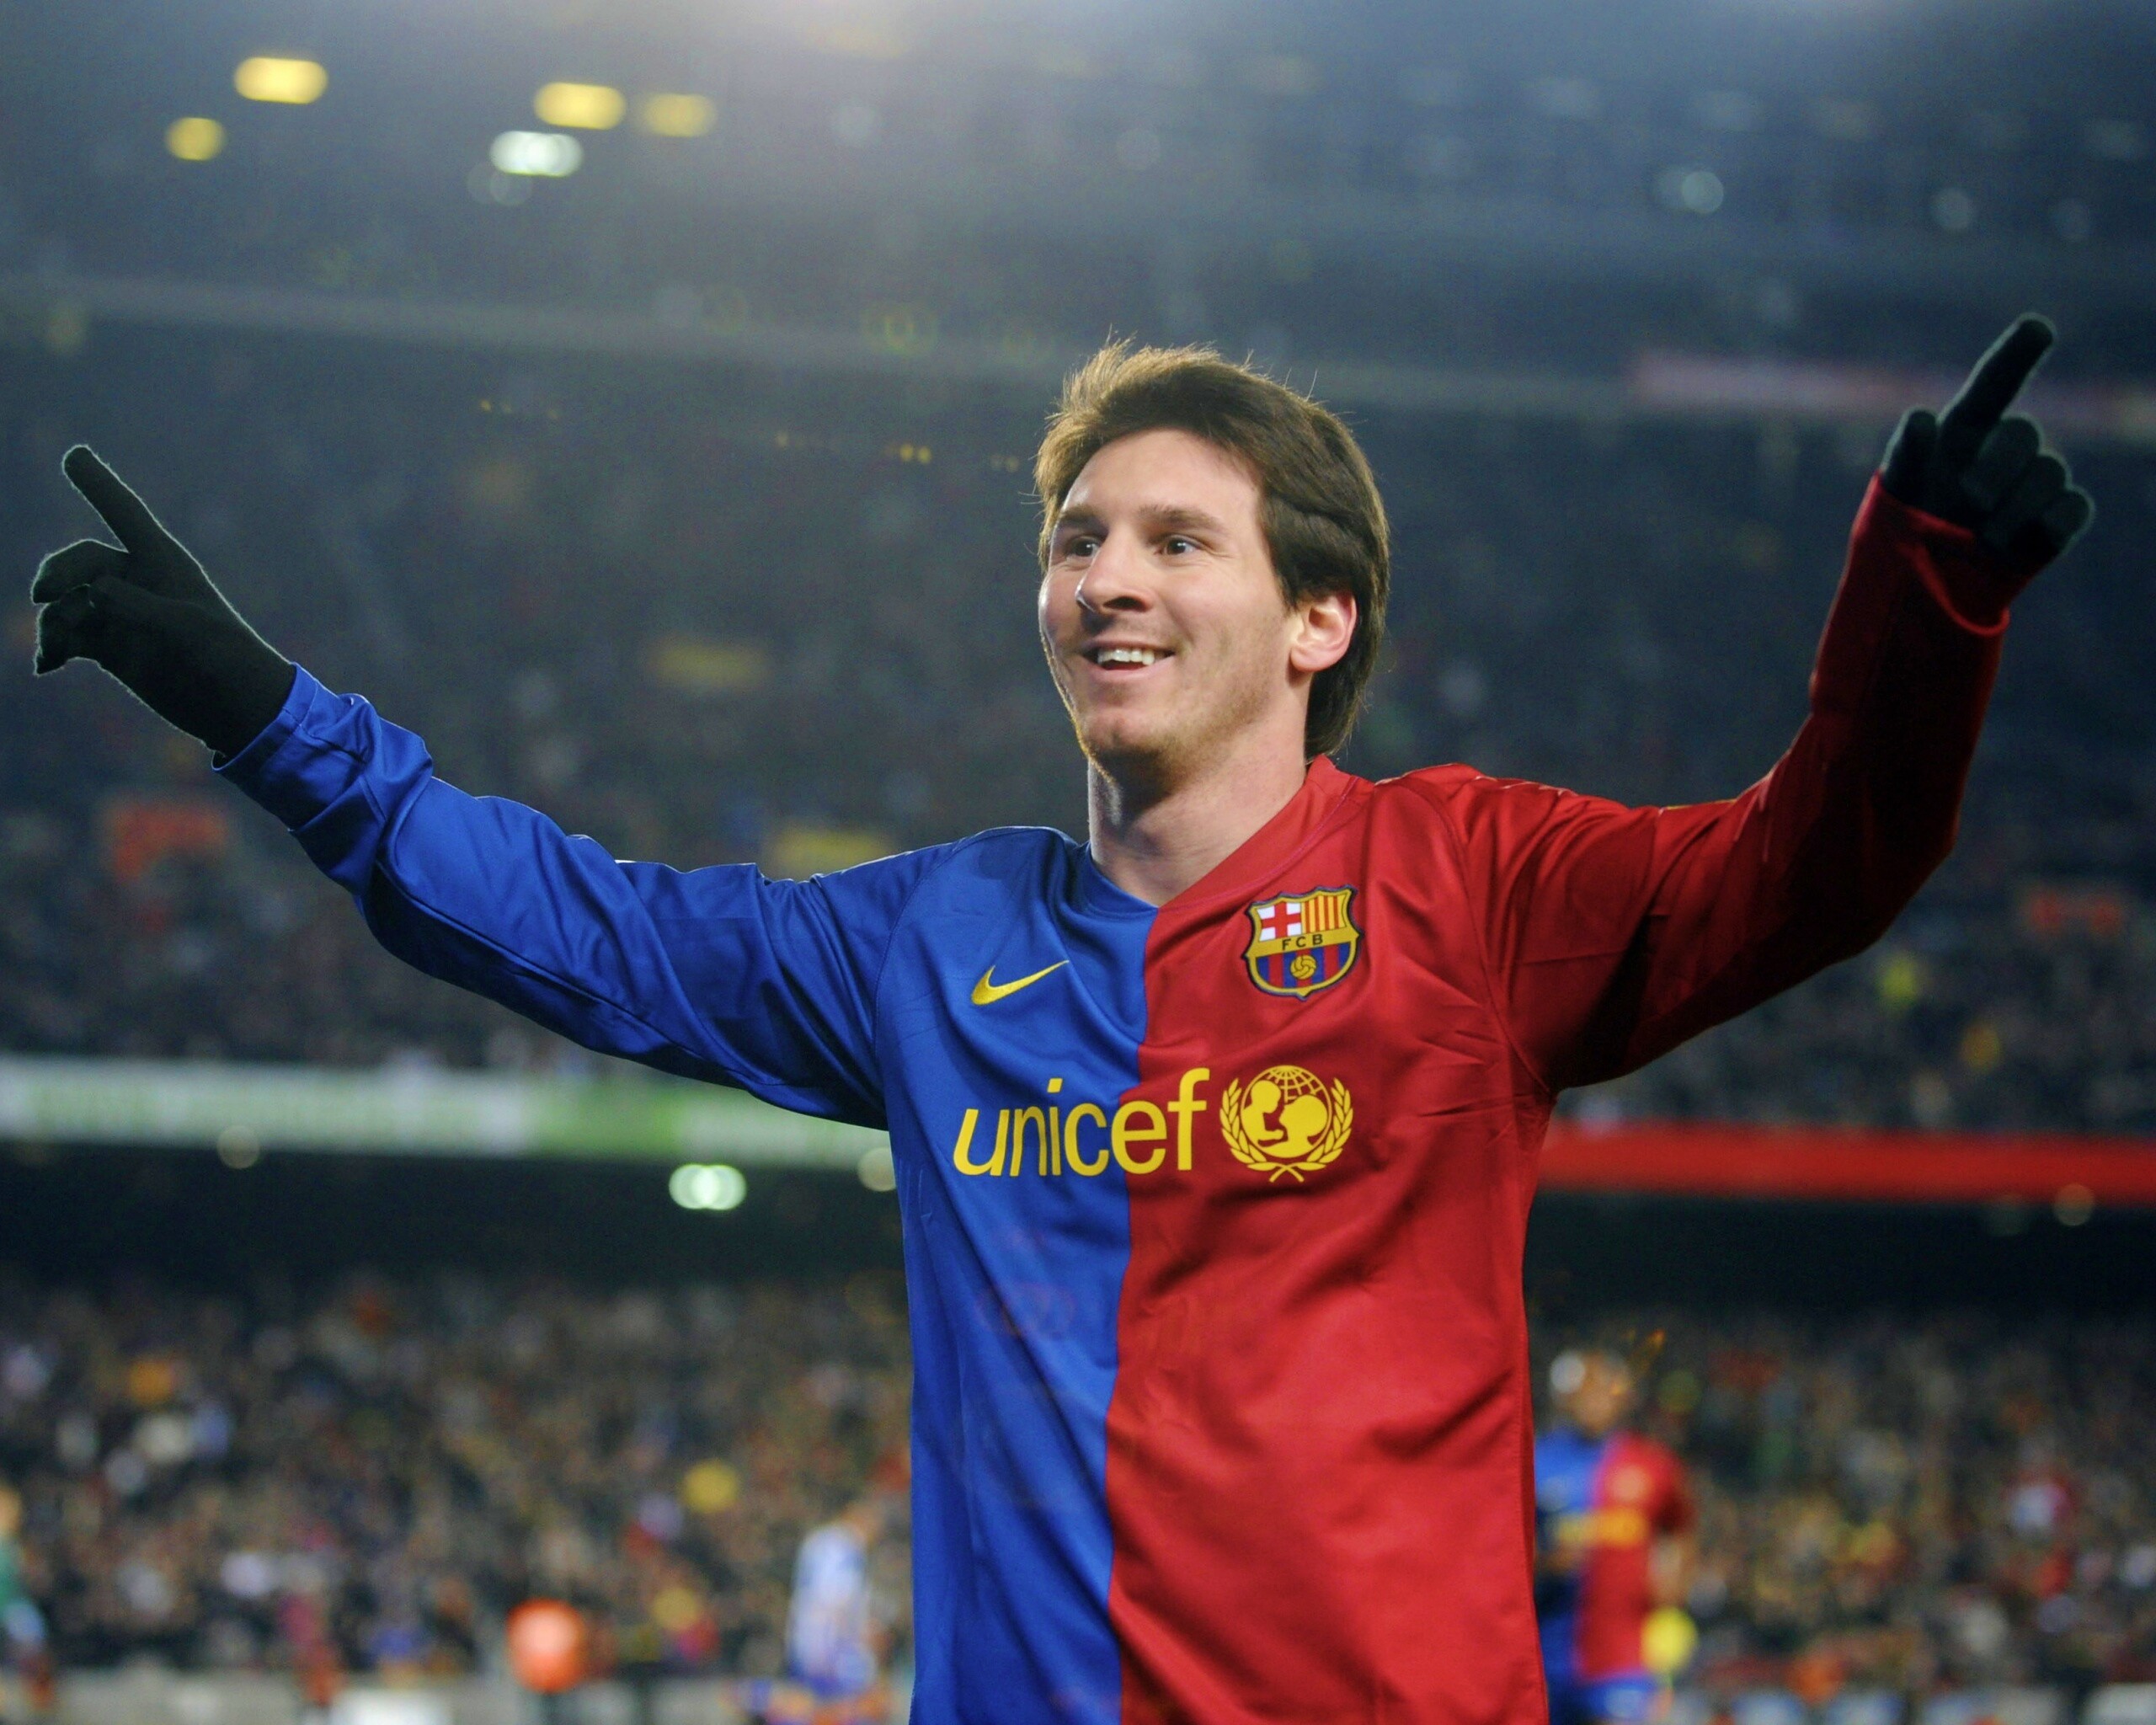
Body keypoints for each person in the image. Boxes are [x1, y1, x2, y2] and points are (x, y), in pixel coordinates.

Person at [25, 319, 2091, 1723]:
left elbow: (1810, 864)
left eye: (1176, 539)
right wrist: (264, 714)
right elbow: (583, 927)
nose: (1106, 576)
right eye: (1075, 537)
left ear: (1316, 617)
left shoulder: (1467, 885)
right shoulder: (935, 941)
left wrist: (1921, 599)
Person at [1536, 1350, 1695, 1725]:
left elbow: (1681, 1526)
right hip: (1548, 1650)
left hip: (1622, 1657)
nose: (1596, 1401)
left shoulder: (1650, 1464)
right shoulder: (1536, 1461)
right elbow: (1503, 1547)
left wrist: (1674, 1580)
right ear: (1563, 1399)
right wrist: (1544, 1564)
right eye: (1585, 1391)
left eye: (1604, 1391)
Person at [0, 1484, 54, 1719]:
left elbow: (30, 1581)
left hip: (14, 1608)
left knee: (32, 1639)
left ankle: (41, 1701)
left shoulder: (15, 1548)